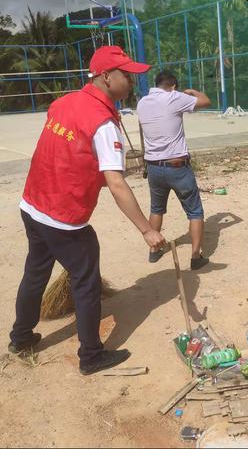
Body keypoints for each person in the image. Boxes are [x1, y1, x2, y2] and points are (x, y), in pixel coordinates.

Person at [9, 46, 166, 375]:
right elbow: (117, 183)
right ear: (107, 77)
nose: (133, 82)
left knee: (35, 274)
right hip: (62, 218)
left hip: (33, 205)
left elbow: (69, 151)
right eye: (128, 75)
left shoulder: (64, 102)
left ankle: (21, 338)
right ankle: (91, 355)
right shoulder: (102, 122)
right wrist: (147, 229)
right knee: (86, 281)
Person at [137, 72, 211, 269]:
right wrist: (190, 92)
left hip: (153, 168)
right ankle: (196, 256)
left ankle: (154, 250)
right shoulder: (174, 97)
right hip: (177, 167)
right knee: (195, 211)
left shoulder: (142, 103)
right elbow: (205, 101)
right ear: (173, 86)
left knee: (156, 208)